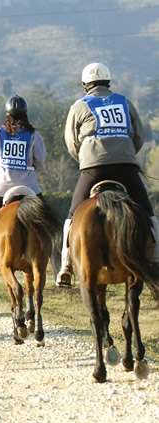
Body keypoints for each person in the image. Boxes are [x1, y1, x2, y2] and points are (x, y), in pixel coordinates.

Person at [56, 62, 159, 287]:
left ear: (86, 86)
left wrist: (84, 160)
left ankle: (65, 266)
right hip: (126, 166)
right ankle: (157, 257)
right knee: (149, 214)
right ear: (108, 82)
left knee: (72, 217)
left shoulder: (79, 105)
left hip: (93, 167)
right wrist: (127, 155)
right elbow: (139, 136)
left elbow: (71, 143)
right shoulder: (125, 102)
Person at [0, 94, 47, 269]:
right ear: (25, 114)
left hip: (3, 185)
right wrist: (27, 168)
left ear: (7, 114)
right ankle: (54, 260)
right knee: (47, 219)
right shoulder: (33, 134)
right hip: (29, 185)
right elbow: (40, 159)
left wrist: (3, 170)